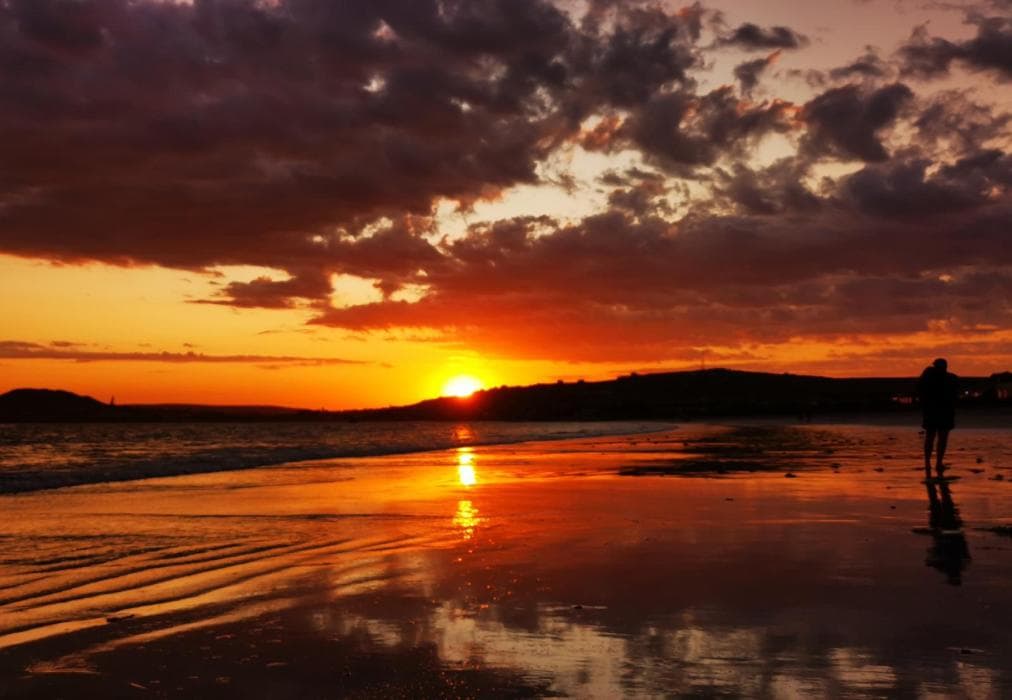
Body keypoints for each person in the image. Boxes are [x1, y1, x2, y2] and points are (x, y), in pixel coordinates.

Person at [918, 358, 958, 477]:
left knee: (932, 437)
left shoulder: (928, 376)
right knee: (941, 438)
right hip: (943, 412)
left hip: (933, 411)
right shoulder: (950, 378)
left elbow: (920, 389)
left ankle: (929, 463)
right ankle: (937, 462)